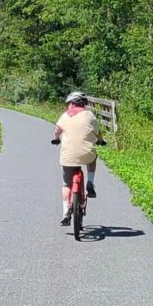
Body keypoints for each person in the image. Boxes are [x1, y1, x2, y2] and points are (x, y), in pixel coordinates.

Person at [52, 92, 104, 226]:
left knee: (66, 184)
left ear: (71, 103)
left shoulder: (64, 116)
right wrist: (100, 140)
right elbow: (97, 132)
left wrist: (57, 139)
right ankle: (90, 183)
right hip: (86, 153)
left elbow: (57, 130)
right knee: (93, 158)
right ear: (84, 104)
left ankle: (65, 212)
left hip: (68, 155)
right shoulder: (90, 115)